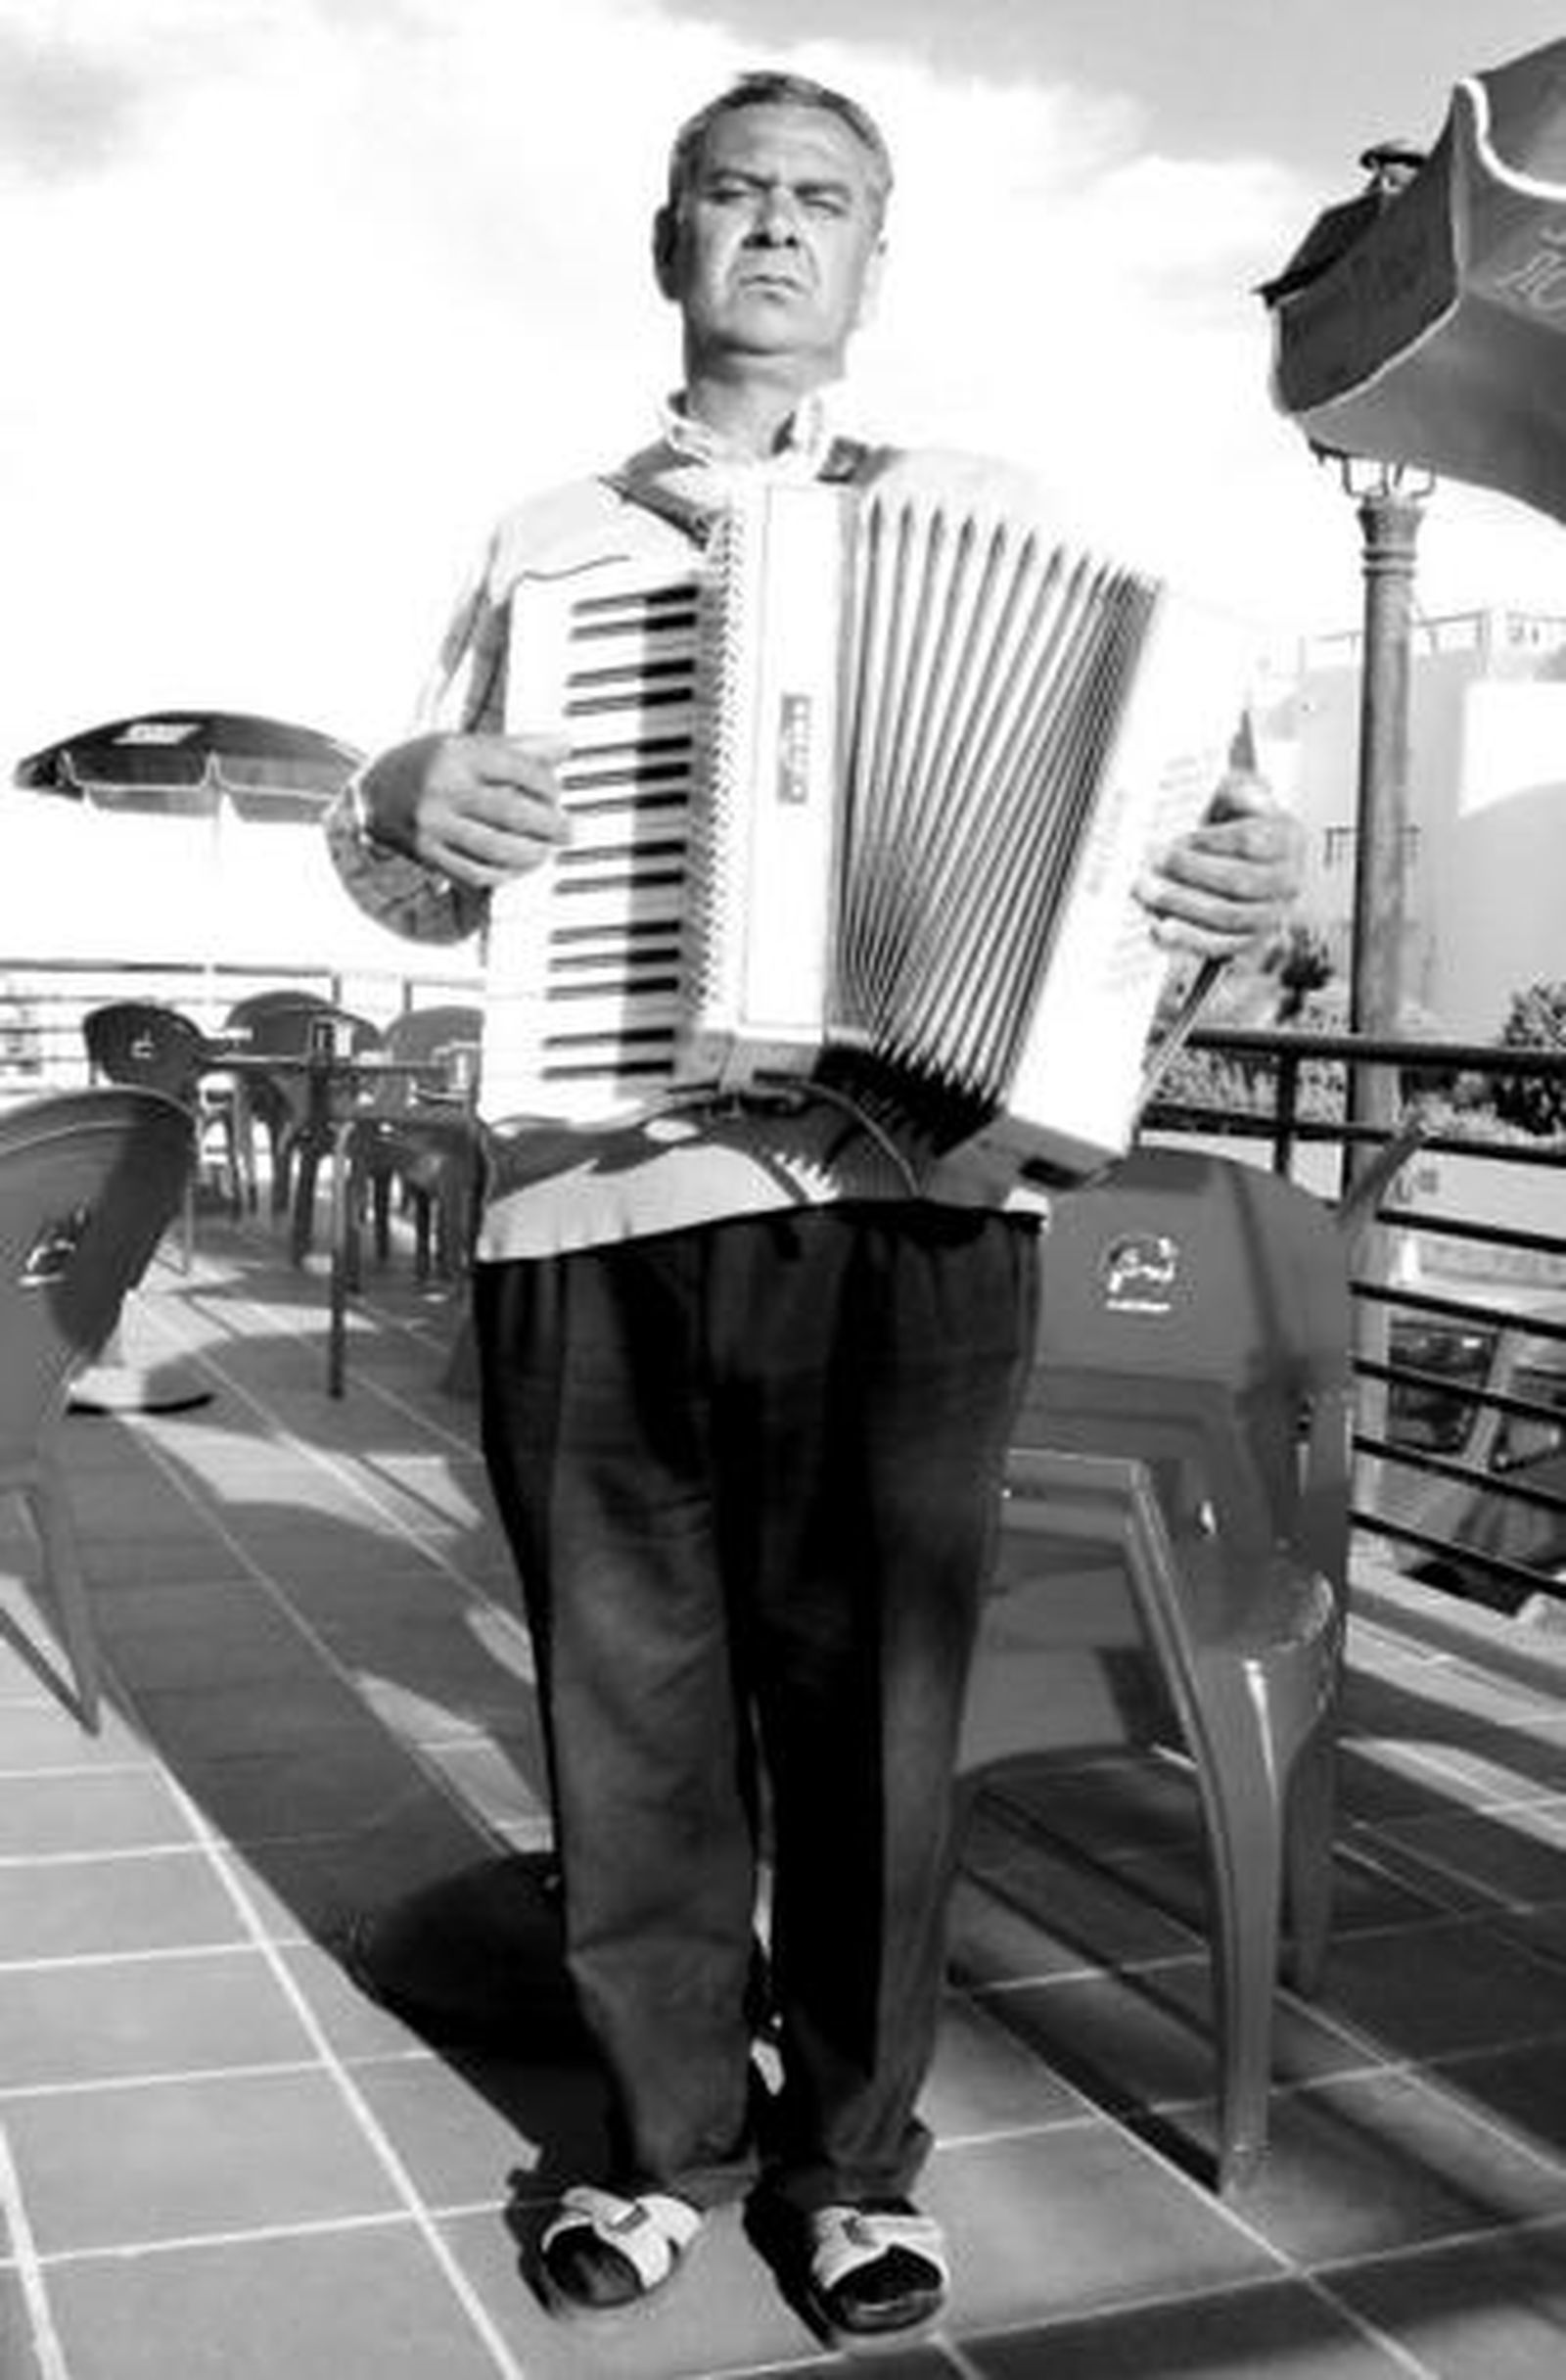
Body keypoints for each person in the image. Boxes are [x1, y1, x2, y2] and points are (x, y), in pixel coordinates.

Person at [326, 69, 1302, 2346]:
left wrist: (1248, 886)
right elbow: (401, 876)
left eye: (821, 201)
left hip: (912, 1206)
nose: (774, 229)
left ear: (872, 259)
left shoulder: (999, 519)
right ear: (666, 240)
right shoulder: (540, 543)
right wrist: (395, 791)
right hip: (589, 1198)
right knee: (627, 1714)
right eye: (735, 194)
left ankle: (852, 2168)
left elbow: (1179, 854)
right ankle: (662, 2138)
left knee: (877, 1722)